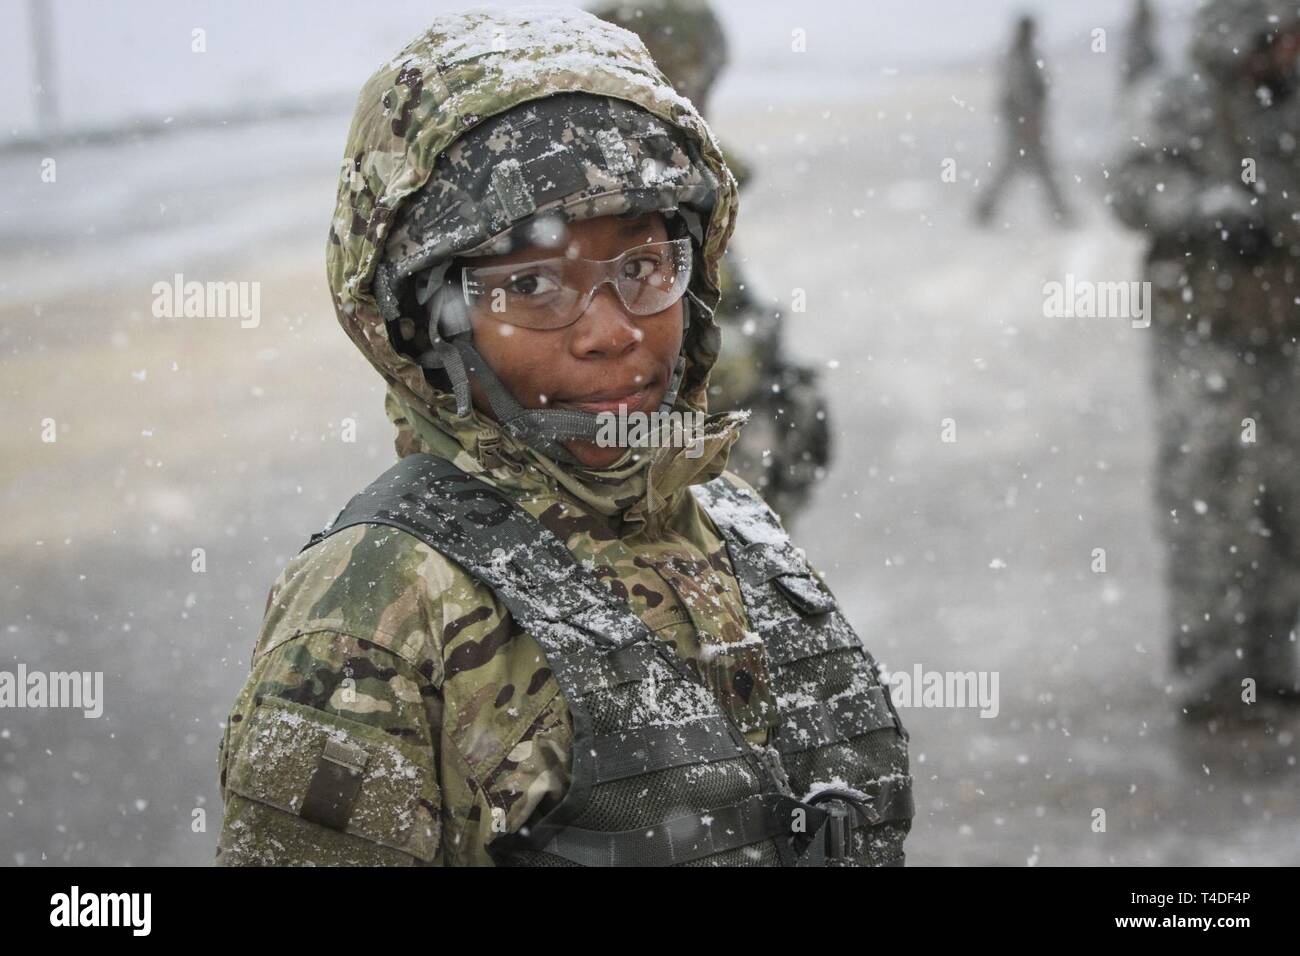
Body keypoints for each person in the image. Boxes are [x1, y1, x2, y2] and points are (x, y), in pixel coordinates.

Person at [215, 6, 912, 866]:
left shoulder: (729, 519)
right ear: (431, 321)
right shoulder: (380, 613)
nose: (612, 331)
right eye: (536, 283)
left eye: (643, 266)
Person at [1109, 0, 1300, 723]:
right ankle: (1213, 674)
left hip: (1286, 332)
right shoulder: (1180, 96)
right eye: (1282, 37)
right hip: (1205, 331)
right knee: (1208, 492)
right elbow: (1130, 185)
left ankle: (1274, 661)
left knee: (1289, 494)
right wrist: (1206, 211)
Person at [587, 0, 833, 526]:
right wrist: (747, 371)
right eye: (689, 78)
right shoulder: (622, 198)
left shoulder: (686, 177)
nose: (699, 99)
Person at [974, 15, 1074, 226]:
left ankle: (1060, 212)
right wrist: (1028, 121)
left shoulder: (1022, 55)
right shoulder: (1019, 57)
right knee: (1023, 169)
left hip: (1025, 123)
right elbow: (1020, 93)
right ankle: (985, 209)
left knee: (1026, 170)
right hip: (1024, 125)